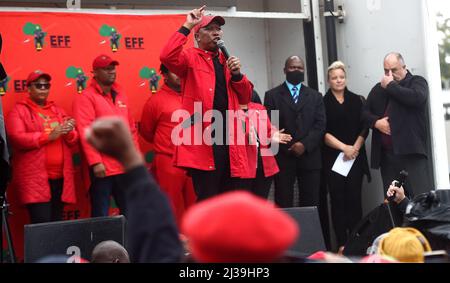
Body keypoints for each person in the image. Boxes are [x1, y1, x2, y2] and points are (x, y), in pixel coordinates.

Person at [160, 6, 253, 201]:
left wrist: (237, 75)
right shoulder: (190, 57)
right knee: (208, 199)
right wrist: (187, 25)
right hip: (204, 140)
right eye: (209, 29)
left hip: (229, 138)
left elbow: (246, 96)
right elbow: (167, 56)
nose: (216, 32)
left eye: (218, 28)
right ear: (198, 36)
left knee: (229, 200)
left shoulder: (227, 60)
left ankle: (226, 232)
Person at [85, 117, 183, 263]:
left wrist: (130, 158)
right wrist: (99, 161)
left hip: (120, 170)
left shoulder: (120, 97)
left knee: (129, 215)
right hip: (105, 170)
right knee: (102, 216)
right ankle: (103, 250)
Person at [6, 70, 78, 223]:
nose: (43, 89)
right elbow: (17, 138)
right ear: (29, 88)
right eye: (39, 85)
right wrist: (48, 136)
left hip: (61, 178)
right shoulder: (19, 111)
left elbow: (73, 139)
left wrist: (68, 131)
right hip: (36, 179)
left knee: (57, 224)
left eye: (46, 86)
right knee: (42, 225)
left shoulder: (57, 110)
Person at [73, 54, 140, 217]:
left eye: (113, 68)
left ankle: (131, 243)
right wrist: (96, 162)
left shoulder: (121, 94)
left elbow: (131, 129)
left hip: (123, 165)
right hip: (103, 167)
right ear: (94, 72)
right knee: (101, 214)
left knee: (130, 212)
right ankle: (100, 243)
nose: (111, 72)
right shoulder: (86, 97)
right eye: (106, 69)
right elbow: (86, 131)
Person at [362, 52, 431, 197]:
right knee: (393, 203)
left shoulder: (417, 82)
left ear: (404, 67)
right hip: (388, 157)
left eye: (394, 70)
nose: (390, 75)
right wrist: (376, 123)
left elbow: (417, 98)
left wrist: (391, 86)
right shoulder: (379, 88)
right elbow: (363, 114)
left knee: (420, 201)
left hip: (411, 155)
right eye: (386, 71)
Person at [264, 55, 326, 208]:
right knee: (284, 202)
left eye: (299, 68)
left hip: (309, 157)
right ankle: (285, 233)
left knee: (310, 203)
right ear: (285, 70)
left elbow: (320, 125)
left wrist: (304, 145)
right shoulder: (272, 95)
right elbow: (269, 124)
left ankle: (307, 233)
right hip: (283, 157)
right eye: (292, 67)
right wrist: (289, 145)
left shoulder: (315, 96)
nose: (296, 70)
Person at [140, 64, 197, 225]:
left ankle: (196, 243)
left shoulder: (194, 96)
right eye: (174, 71)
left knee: (196, 205)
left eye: (182, 72)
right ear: (164, 75)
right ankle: (169, 243)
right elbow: (146, 131)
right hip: (169, 160)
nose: (179, 75)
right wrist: (166, 143)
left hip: (194, 160)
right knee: (168, 205)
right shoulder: (155, 101)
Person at [322, 61, 371, 248]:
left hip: (355, 159)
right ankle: (342, 244)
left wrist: (355, 148)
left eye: (341, 77)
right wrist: (345, 148)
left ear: (346, 78)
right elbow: (322, 132)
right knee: (337, 201)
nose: (338, 80)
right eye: (334, 78)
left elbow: (365, 127)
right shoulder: (323, 102)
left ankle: (356, 243)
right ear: (328, 80)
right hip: (334, 159)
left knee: (355, 200)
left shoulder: (357, 100)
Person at [238, 103, 291, 199]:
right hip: (244, 167)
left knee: (260, 203)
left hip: (263, 166)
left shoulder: (258, 108)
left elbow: (269, 129)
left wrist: (273, 134)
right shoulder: (230, 108)